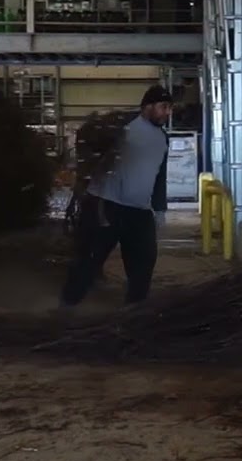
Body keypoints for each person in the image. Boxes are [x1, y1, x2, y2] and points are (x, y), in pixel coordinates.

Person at [61, 86, 173, 307]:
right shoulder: (121, 128)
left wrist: (159, 208)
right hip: (106, 205)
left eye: (170, 108)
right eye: (164, 107)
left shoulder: (163, 139)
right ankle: (66, 307)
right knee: (89, 262)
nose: (168, 113)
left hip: (139, 211)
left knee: (144, 263)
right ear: (147, 106)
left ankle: (134, 311)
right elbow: (89, 141)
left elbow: (160, 175)